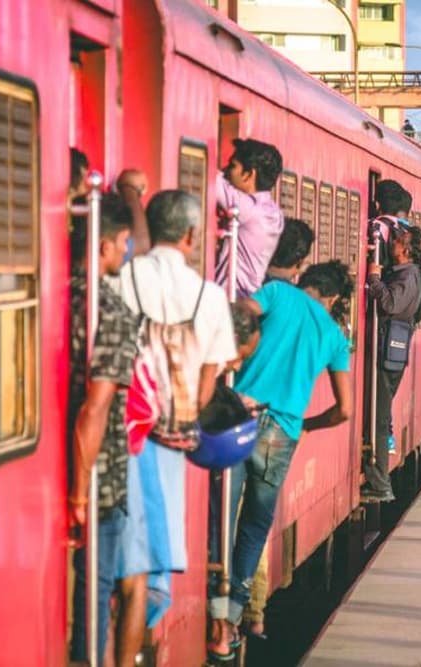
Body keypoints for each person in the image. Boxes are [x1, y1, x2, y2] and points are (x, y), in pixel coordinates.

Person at [209, 261, 354, 657]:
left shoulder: (276, 293)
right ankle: (232, 617)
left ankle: (213, 603)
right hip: (281, 433)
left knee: (222, 516)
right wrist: (306, 424)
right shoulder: (333, 336)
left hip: (239, 414)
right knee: (254, 526)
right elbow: (344, 410)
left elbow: (240, 316)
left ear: (304, 280)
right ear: (333, 298)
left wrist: (235, 360)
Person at [114, 190, 238, 641]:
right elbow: (211, 374)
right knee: (149, 571)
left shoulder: (123, 277)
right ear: (190, 235)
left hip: (120, 431)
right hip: (169, 443)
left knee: (121, 558)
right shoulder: (208, 296)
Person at [67, 194, 141, 666]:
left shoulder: (64, 291)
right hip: (101, 475)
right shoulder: (111, 311)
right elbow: (95, 410)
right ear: (109, 244)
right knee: (97, 585)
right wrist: (80, 494)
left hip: (74, 464)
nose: (128, 250)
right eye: (126, 242)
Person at [364, 229, 421, 502]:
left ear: (406, 249)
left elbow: (389, 303)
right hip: (391, 348)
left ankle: (381, 482)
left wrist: (374, 278)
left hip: (390, 349)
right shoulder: (405, 273)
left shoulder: (408, 276)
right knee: (381, 413)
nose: (391, 243)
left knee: (380, 414)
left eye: (397, 240)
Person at [215, 139, 285, 298]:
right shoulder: (274, 213)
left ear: (249, 174)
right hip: (249, 299)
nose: (226, 171)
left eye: (232, 166)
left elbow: (212, 180)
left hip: (231, 299)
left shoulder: (250, 209)